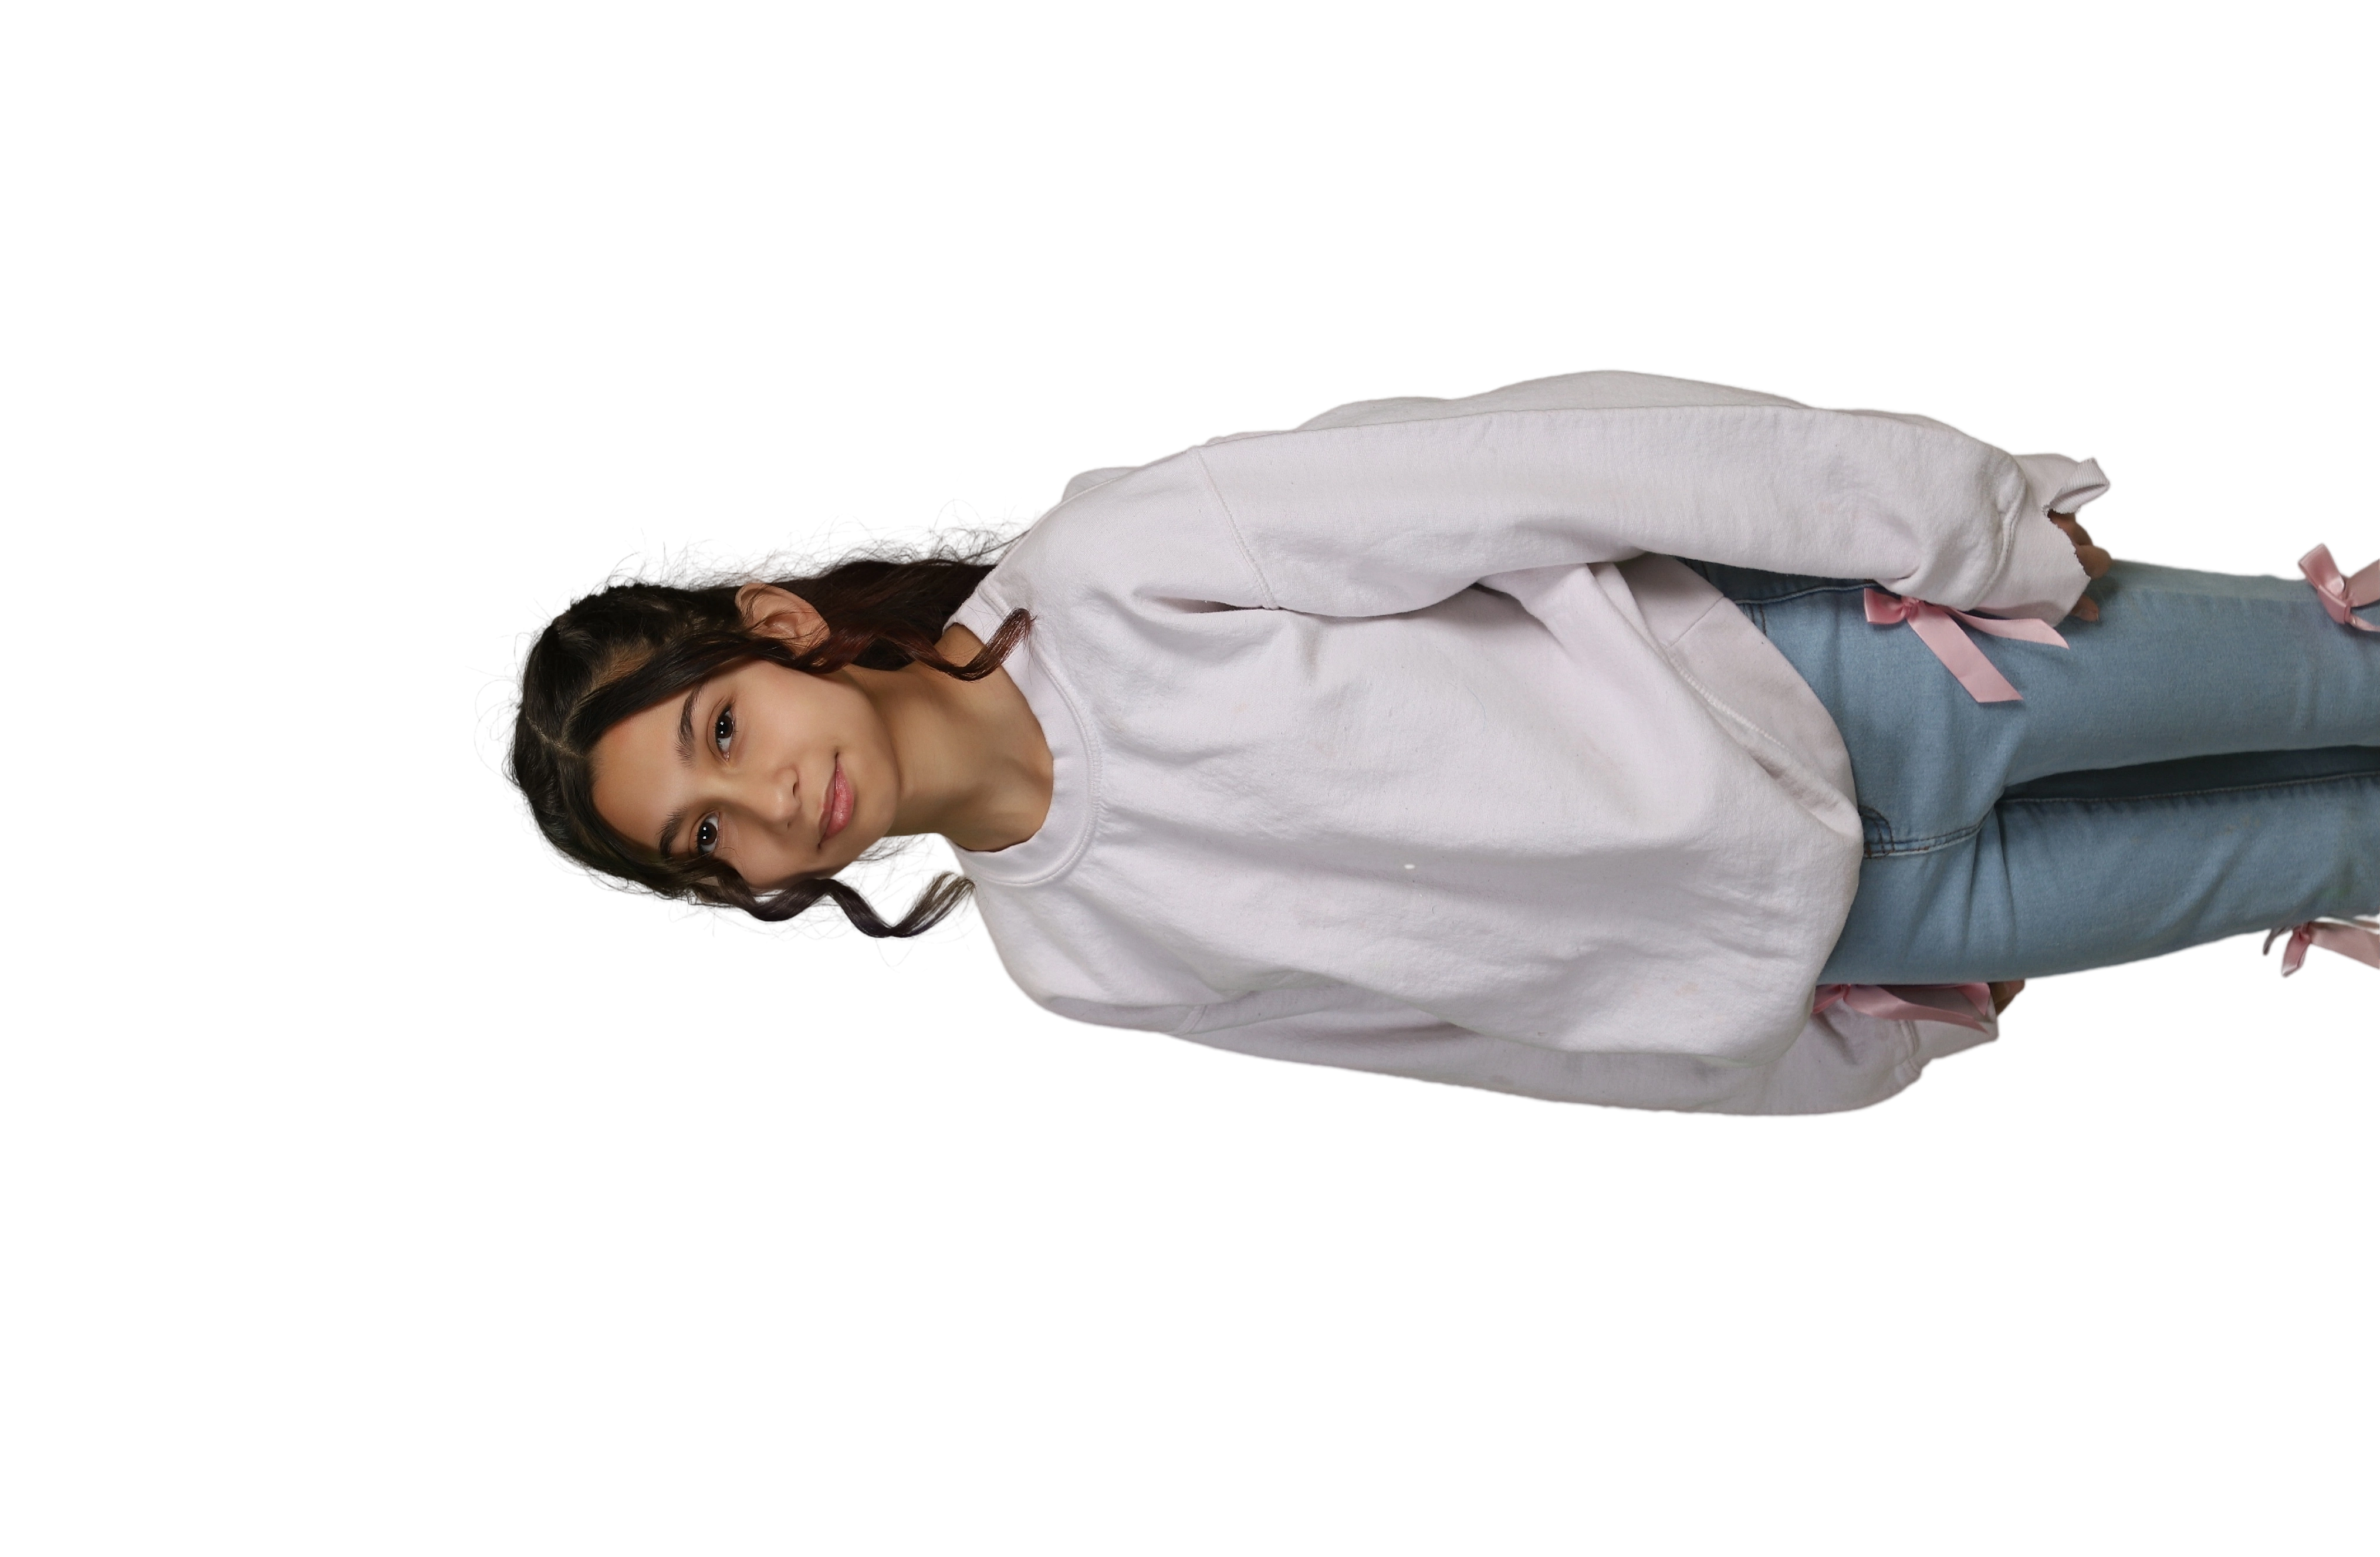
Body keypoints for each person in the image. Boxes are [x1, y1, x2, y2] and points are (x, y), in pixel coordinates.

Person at [466, 367, 2380, 1120]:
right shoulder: (1075, 960)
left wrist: (1951, 526)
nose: (764, 796)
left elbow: (1554, 462)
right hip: (1862, 926)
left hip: (1862, 676)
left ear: (781, 632)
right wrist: (1803, 1063)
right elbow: (1469, 1039)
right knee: (2340, 852)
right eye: (710, 836)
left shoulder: (1122, 569)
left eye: (723, 729)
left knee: (2344, 681)